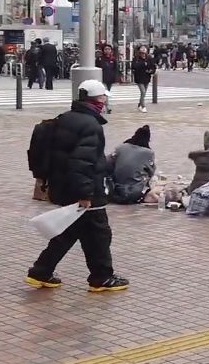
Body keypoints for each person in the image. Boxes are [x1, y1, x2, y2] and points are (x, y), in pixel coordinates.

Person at [26, 79, 129, 293]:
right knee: (99, 234)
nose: (104, 102)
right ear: (96, 99)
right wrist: (86, 193)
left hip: (63, 185)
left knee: (70, 231)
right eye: (103, 98)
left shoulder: (64, 118)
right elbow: (82, 162)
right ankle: (102, 277)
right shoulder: (90, 125)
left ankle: (41, 271)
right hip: (87, 189)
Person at [109, 125, 156, 205]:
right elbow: (151, 172)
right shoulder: (148, 153)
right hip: (135, 192)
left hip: (114, 189)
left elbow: (107, 163)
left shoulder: (120, 147)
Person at [130, 46, 155, 113]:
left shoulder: (149, 58)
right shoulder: (136, 58)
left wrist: (151, 71)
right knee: (143, 92)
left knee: (144, 93)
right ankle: (143, 106)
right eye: (141, 53)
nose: (143, 54)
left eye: (144, 53)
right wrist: (142, 63)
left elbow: (153, 67)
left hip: (147, 77)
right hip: (139, 77)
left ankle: (140, 104)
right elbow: (133, 67)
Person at [97, 45, 119, 114]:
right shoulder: (100, 59)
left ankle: (103, 106)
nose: (107, 50)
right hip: (102, 78)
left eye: (109, 49)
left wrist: (115, 77)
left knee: (106, 93)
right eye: (106, 49)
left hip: (110, 78)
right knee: (105, 93)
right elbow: (97, 68)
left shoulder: (113, 59)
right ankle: (107, 107)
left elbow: (116, 69)